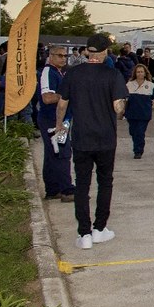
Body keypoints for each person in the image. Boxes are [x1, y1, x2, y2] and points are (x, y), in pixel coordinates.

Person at [53, 34, 128, 250]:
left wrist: (60, 125)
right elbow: (118, 108)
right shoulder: (113, 75)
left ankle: (84, 234)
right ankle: (99, 229)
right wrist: (122, 107)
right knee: (105, 182)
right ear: (105, 52)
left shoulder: (73, 74)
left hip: (82, 137)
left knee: (82, 184)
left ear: (88, 51)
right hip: (105, 138)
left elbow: (62, 104)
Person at [37, 47, 74, 201]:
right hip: (53, 120)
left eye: (66, 56)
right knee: (62, 152)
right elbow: (47, 98)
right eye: (60, 55)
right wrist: (66, 95)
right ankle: (66, 189)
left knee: (53, 153)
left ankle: (53, 189)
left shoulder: (59, 72)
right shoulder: (48, 72)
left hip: (61, 119)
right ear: (51, 56)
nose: (63, 58)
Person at [124, 63, 154, 159]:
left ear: (145, 73)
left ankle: (138, 151)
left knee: (140, 132)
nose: (140, 74)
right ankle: (137, 145)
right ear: (135, 73)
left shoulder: (150, 85)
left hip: (144, 114)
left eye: (141, 72)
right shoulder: (129, 85)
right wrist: (122, 111)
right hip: (131, 113)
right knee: (133, 132)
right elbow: (124, 100)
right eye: (138, 72)